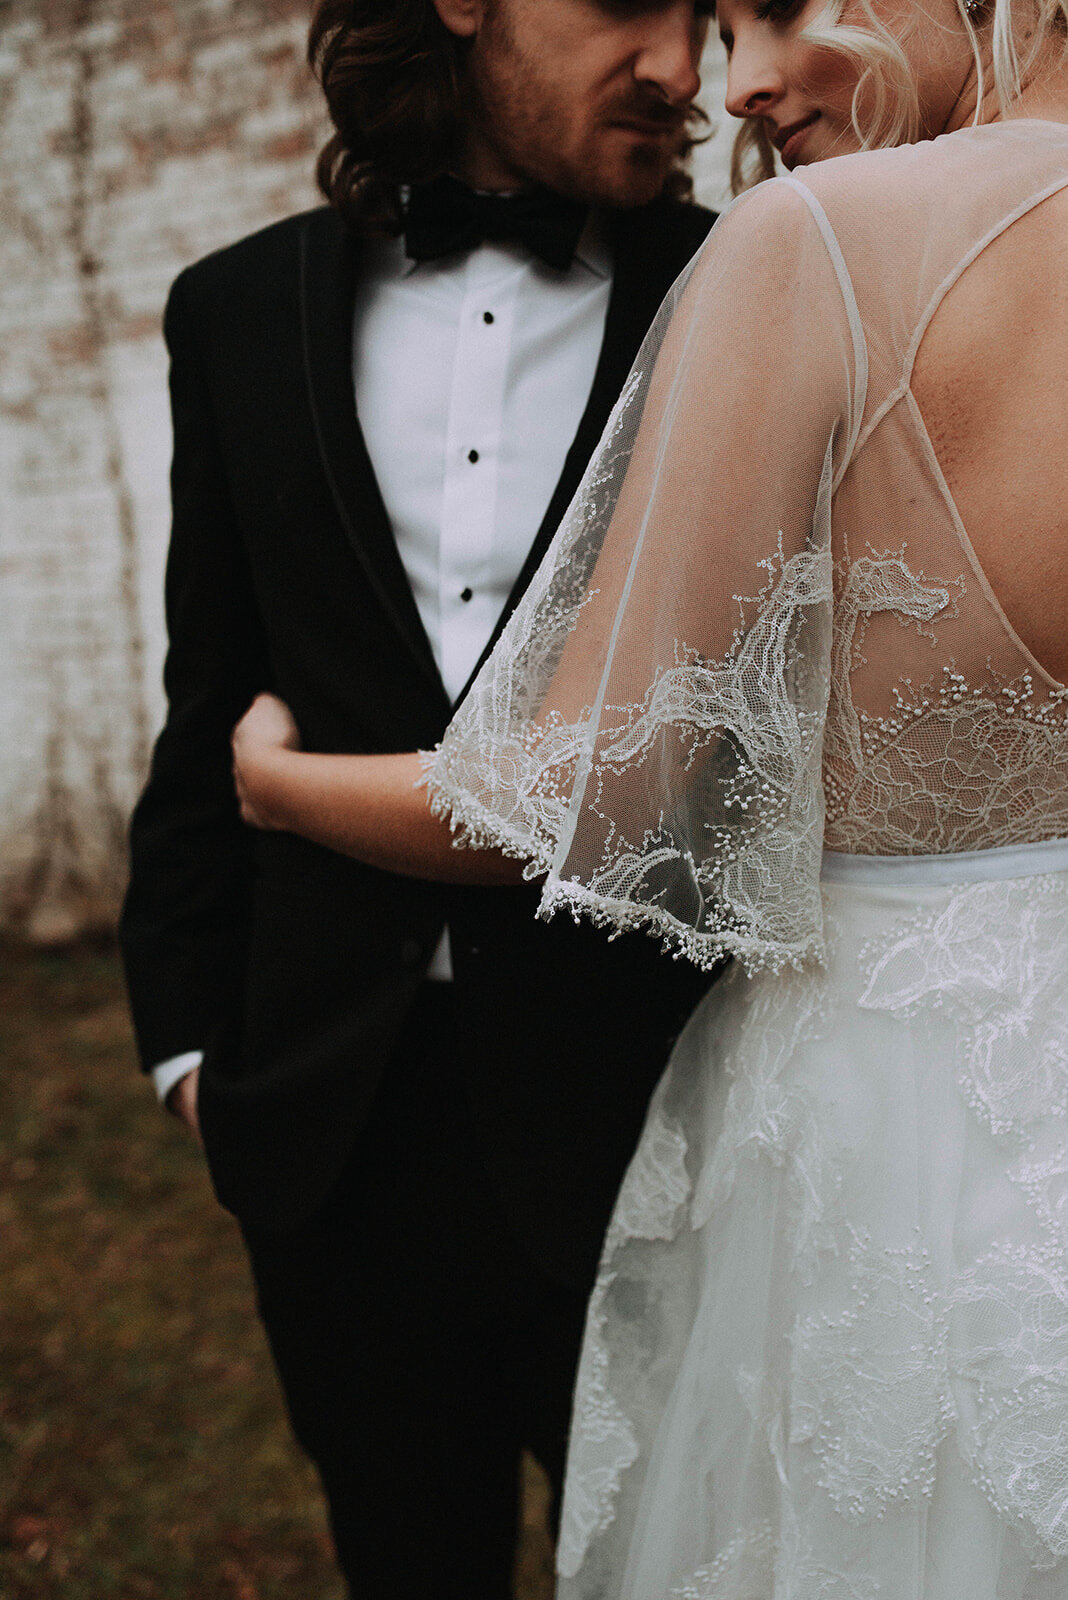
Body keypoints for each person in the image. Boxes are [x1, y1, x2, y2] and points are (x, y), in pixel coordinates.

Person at [228, 0, 1068, 1591]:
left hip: (888, 1131)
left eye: (777, 7)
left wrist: (276, 785)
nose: (733, 83)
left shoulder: (813, 243)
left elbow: (587, 795)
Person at [119, 2, 718, 1594]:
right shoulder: (233, 312)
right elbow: (211, 689)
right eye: (631, 3)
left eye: (711, 17)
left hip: (659, 1119)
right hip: (332, 1129)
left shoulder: (742, 295)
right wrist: (193, 1056)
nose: (683, 62)